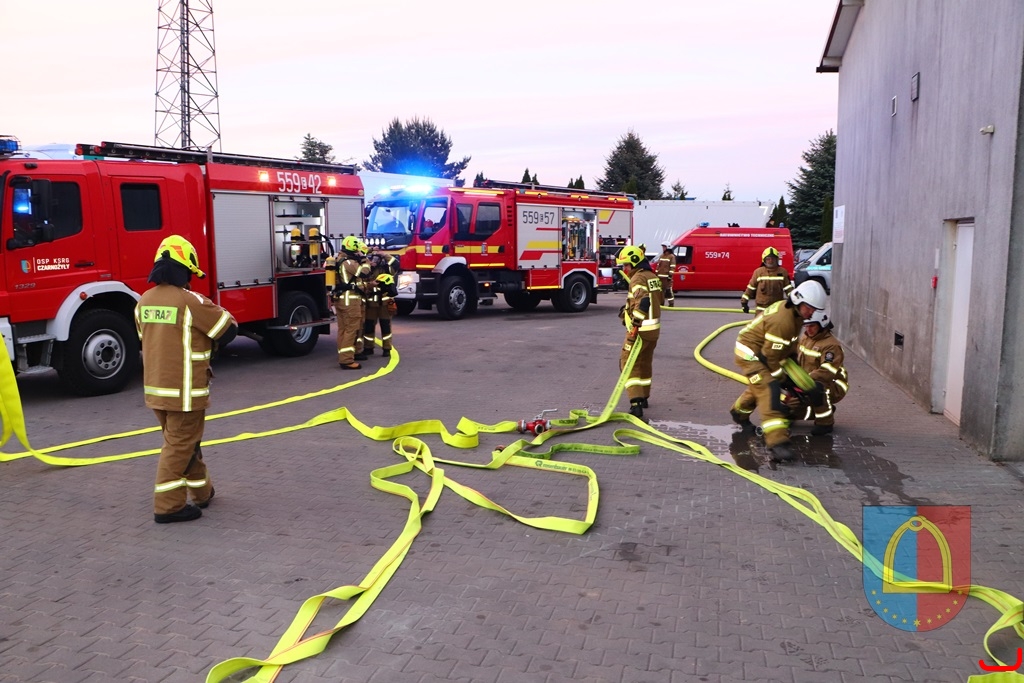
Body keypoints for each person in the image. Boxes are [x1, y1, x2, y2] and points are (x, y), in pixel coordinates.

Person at [134, 235, 237, 524]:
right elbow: (228, 330)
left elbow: (147, 338)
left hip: (156, 391)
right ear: (185, 268)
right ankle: (168, 506)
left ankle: (202, 492)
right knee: (179, 446)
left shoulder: (143, 301)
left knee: (186, 443)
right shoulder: (190, 301)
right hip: (186, 391)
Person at [729, 280, 828, 462]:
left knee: (759, 386)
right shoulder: (783, 320)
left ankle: (739, 412)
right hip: (751, 355)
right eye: (809, 308)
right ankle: (777, 443)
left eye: (814, 310)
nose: (811, 313)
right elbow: (769, 358)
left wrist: (797, 373)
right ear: (798, 300)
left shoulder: (795, 315)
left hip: (765, 352)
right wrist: (784, 381)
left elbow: (788, 345)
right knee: (769, 390)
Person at [616, 244, 663, 420]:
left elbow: (643, 301)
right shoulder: (652, 276)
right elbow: (659, 299)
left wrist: (635, 323)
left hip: (639, 331)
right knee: (644, 362)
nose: (625, 269)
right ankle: (644, 397)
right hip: (653, 331)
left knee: (628, 363)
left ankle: (635, 403)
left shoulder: (637, 279)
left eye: (626, 265)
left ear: (634, 262)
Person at [786, 308, 849, 435]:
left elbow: (826, 372)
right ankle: (820, 410)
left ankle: (825, 423)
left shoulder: (831, 345)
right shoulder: (806, 337)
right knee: (789, 406)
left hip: (832, 383)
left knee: (818, 389)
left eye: (812, 326)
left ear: (822, 325)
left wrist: (802, 381)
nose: (808, 329)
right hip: (806, 380)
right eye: (806, 326)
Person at [332, 236, 372, 369]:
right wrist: (365, 258)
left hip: (343, 299)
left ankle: (345, 354)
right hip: (350, 301)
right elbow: (364, 272)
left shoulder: (340, 259)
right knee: (351, 329)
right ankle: (346, 360)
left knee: (343, 329)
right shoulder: (349, 262)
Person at [362, 250, 400, 357]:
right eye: (371, 259)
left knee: (385, 326)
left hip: (384, 303)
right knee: (368, 327)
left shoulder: (386, 269)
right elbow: (361, 282)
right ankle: (368, 348)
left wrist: (384, 255)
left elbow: (396, 264)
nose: (373, 261)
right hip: (370, 303)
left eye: (376, 259)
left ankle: (387, 348)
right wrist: (369, 285)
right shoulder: (365, 270)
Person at [740, 247, 793, 314]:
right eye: (768, 259)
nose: (771, 261)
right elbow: (750, 288)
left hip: (776, 309)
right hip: (761, 309)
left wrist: (793, 300)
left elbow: (788, 288)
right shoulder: (758, 272)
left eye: (773, 259)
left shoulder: (783, 272)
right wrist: (744, 302)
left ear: (777, 259)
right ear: (764, 260)